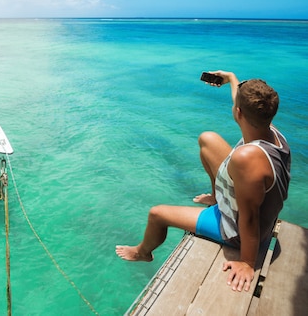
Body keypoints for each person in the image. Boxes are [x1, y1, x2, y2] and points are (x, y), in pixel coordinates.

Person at [115, 71, 291, 292]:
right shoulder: (271, 131)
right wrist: (231, 78)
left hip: (236, 230)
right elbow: (243, 101)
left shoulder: (247, 158)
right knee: (207, 139)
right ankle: (217, 197)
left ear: (238, 112)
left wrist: (247, 263)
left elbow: (249, 218)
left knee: (157, 214)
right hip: (245, 197)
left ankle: (142, 252)